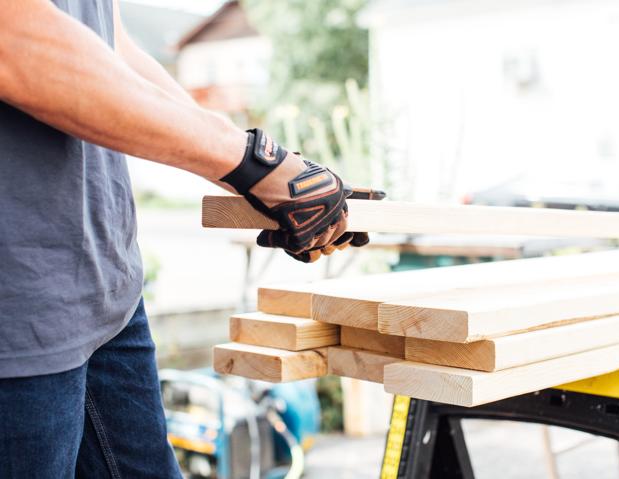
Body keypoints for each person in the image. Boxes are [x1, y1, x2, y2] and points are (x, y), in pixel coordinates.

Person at [0, 1, 365, 477]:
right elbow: (13, 40)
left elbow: (113, 48)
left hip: (106, 294)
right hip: (16, 310)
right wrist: (255, 163)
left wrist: (253, 177)